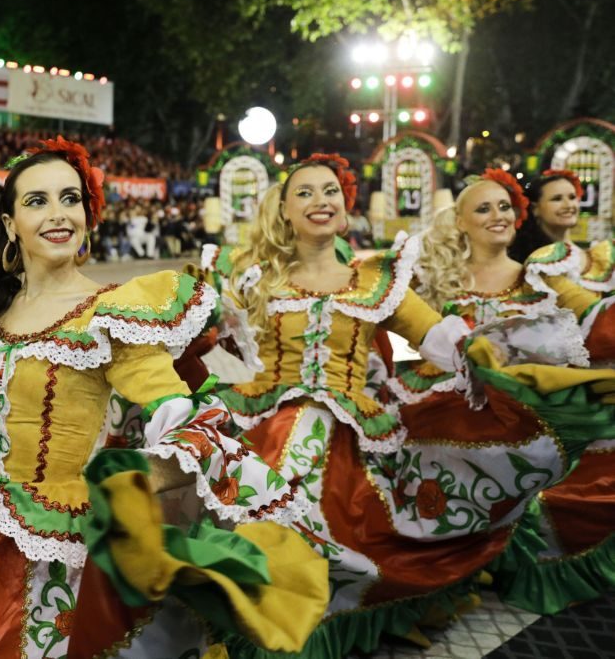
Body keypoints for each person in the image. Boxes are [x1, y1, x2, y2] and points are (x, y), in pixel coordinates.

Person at [0, 137, 330, 656]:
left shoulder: (113, 313)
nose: (58, 214)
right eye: (37, 201)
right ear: (10, 223)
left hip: (56, 543)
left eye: (70, 199)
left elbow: (175, 413)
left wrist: (144, 476)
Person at [193, 155, 615, 658]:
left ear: (344, 206)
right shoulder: (250, 276)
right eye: (303, 193)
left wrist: (505, 366)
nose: (319, 201)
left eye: (329, 190)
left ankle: (295, 627)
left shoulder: (378, 281)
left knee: (333, 525)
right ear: (283, 209)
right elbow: (199, 331)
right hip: (261, 424)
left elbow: (444, 341)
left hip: (346, 439)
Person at [394, 169, 615, 617]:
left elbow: (583, 346)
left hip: (519, 410)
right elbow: (401, 336)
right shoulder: (436, 282)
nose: (498, 215)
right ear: (459, 221)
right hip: (446, 402)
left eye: (504, 207)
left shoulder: (542, 280)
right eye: (483, 207)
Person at [511, 168, 614, 291]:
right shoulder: (527, 260)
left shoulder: (596, 255)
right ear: (535, 209)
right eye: (557, 199)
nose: (568, 205)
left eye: (572, 197)